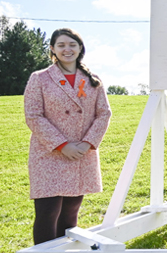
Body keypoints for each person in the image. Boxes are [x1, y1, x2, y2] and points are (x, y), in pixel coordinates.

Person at [24, 28, 112, 245]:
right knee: (47, 212)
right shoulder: (40, 78)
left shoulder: (93, 80)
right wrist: (62, 145)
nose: (67, 49)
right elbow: (33, 116)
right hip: (49, 153)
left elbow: (104, 114)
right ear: (52, 49)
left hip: (81, 154)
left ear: (80, 48)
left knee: (70, 214)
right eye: (61, 45)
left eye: (72, 44)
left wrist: (87, 144)